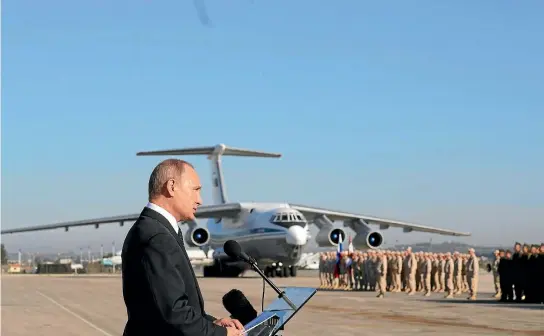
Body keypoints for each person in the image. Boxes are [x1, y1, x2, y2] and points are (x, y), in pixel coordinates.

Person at [121, 159, 244, 336]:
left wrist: (211, 323)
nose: (200, 200)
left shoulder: (154, 228)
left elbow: (165, 307)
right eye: (195, 190)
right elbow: (174, 314)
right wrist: (221, 334)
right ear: (171, 187)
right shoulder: (157, 237)